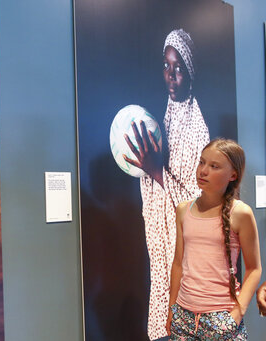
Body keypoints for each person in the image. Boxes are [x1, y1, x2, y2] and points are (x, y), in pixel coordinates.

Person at [123, 28, 210, 339]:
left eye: (179, 68)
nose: (171, 76)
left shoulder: (197, 130)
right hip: (163, 264)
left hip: (189, 266)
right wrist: (146, 168)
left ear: (190, 72)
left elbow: (199, 207)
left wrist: (155, 171)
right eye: (166, 66)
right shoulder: (166, 118)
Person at [166, 138, 261, 340]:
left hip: (221, 316)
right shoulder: (184, 209)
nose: (203, 170)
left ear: (233, 175)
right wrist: (172, 308)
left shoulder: (241, 212)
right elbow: (178, 264)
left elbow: (254, 269)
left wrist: (237, 313)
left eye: (214, 166)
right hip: (183, 316)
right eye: (202, 162)